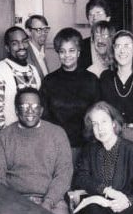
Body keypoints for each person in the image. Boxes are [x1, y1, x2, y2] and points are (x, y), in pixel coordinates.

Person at [0, 88, 73, 214]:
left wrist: (47, 203)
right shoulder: (3, 137)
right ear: (16, 110)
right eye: (24, 106)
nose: (30, 110)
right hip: (13, 202)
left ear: (41, 110)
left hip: (52, 202)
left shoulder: (57, 134)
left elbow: (64, 174)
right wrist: (14, 204)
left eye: (35, 106)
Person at [73, 101, 133, 214]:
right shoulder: (90, 149)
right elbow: (81, 177)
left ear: (113, 123)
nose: (100, 128)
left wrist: (128, 201)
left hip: (128, 212)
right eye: (95, 124)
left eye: (104, 121)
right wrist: (106, 190)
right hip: (100, 208)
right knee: (91, 210)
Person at [40, 27, 100, 165]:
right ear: (58, 53)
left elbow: (97, 114)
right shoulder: (49, 81)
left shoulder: (91, 80)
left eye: (71, 50)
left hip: (86, 147)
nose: (67, 55)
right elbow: (45, 117)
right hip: (57, 147)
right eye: (62, 51)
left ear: (79, 52)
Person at [0, 26, 41, 137]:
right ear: (7, 48)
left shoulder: (33, 70)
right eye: (15, 43)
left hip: (33, 138)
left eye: (24, 42)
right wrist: (7, 143)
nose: (21, 47)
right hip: (10, 141)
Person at [78, 0, 111, 70]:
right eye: (91, 14)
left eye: (98, 13)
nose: (94, 17)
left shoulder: (116, 43)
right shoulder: (81, 45)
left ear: (108, 18)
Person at [25, 15, 50, 79]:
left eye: (45, 29)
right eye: (39, 30)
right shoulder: (25, 56)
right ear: (28, 32)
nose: (43, 33)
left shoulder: (41, 52)